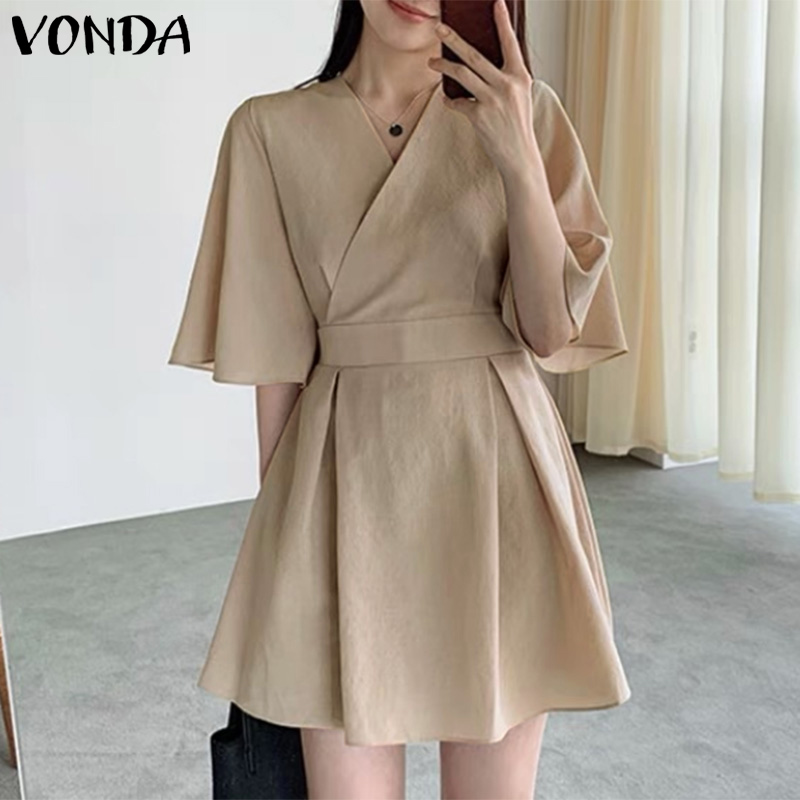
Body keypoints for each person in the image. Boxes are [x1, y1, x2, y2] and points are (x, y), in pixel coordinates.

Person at [168, 0, 632, 797]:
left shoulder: (528, 113)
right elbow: (278, 364)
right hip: (345, 489)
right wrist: (283, 552)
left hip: (496, 481)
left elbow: (550, 331)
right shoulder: (268, 131)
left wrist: (518, 155)